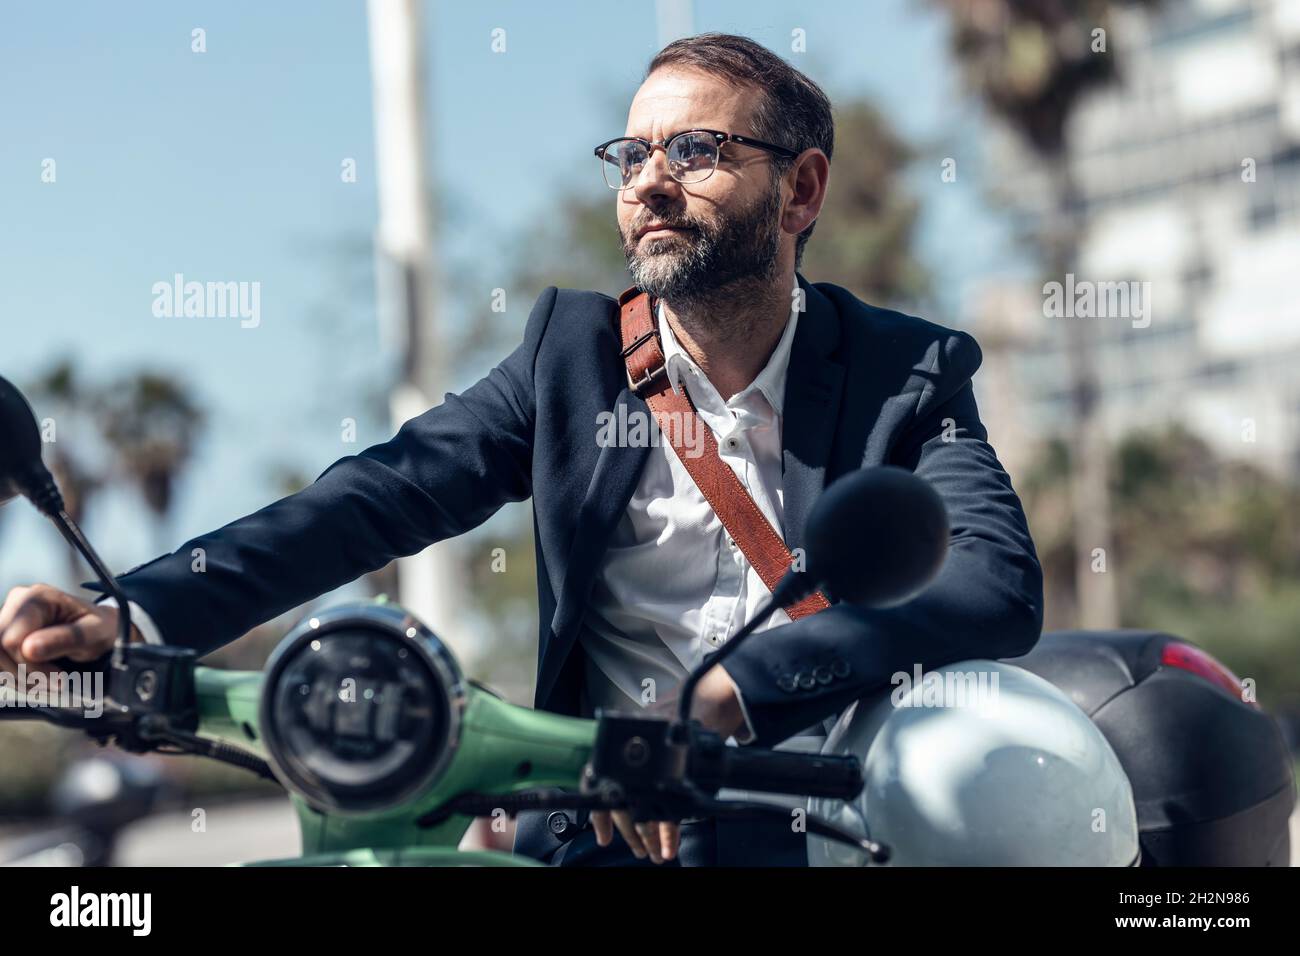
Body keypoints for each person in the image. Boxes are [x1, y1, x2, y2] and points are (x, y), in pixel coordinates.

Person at [0, 33, 1042, 866]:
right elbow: (376, 495)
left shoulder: (903, 369)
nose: (647, 183)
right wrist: (129, 613)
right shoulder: (572, 358)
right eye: (631, 154)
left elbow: (992, 582)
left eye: (695, 151)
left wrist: (732, 691)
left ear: (801, 190)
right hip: (607, 825)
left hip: (839, 820)